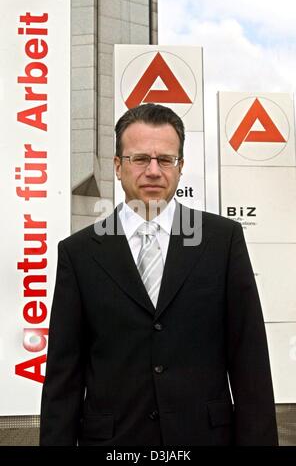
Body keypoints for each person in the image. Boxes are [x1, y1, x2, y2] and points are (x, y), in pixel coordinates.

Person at [40, 103, 278, 446]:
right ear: (118, 167)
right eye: (140, 159)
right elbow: (64, 374)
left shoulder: (222, 241)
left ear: (180, 168)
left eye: (165, 160)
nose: (153, 170)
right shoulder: (78, 253)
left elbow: (249, 360)